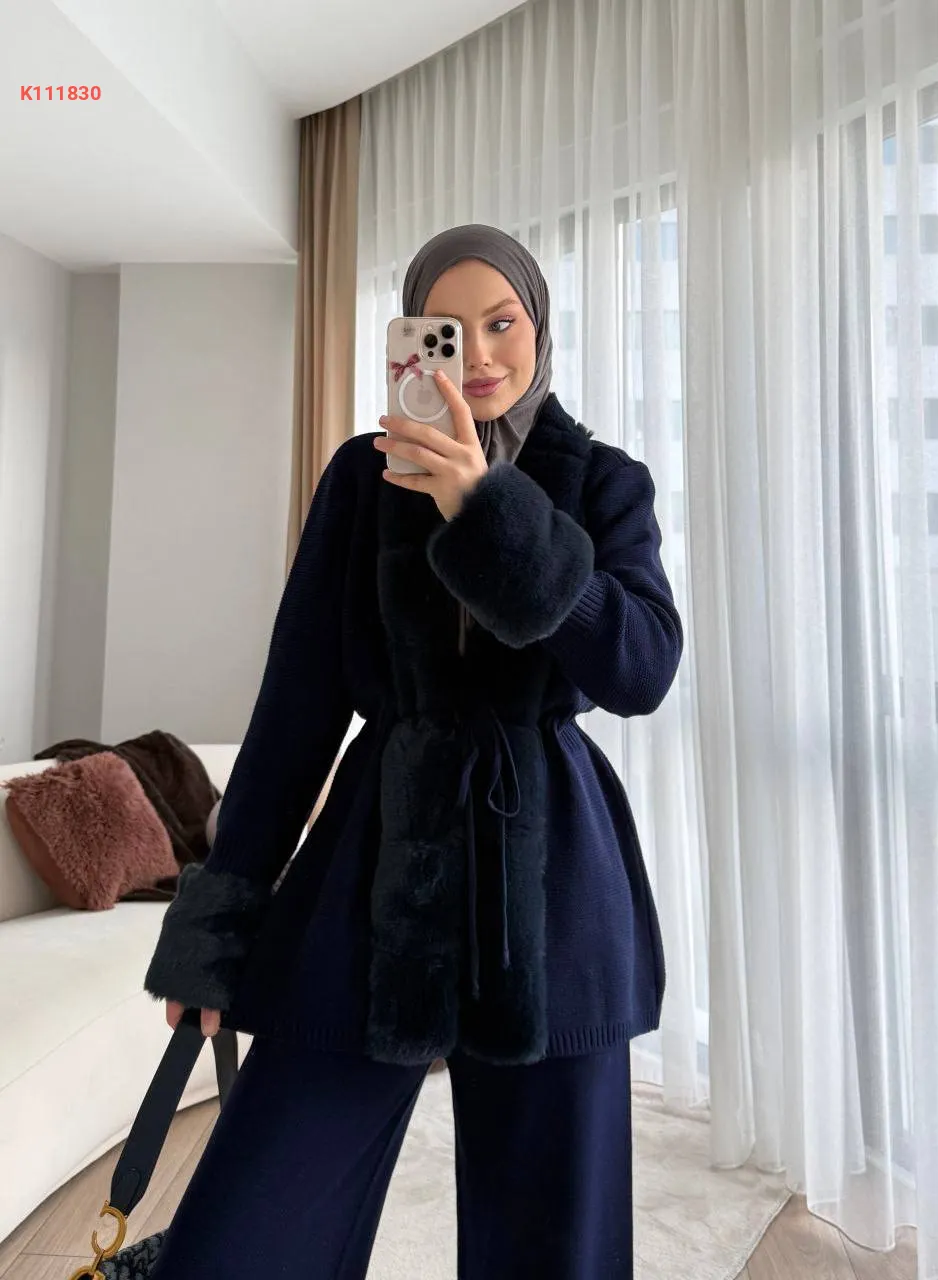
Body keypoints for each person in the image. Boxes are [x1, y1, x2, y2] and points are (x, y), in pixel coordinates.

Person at [144, 223, 683, 1279]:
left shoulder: (604, 482)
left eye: (502, 323)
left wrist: (488, 507)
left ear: (540, 329)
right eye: (446, 328)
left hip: (552, 890)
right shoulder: (362, 478)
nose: (477, 355)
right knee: (247, 1230)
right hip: (369, 868)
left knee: (555, 1249)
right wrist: (220, 924)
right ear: (407, 338)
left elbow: (642, 667)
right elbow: (297, 705)